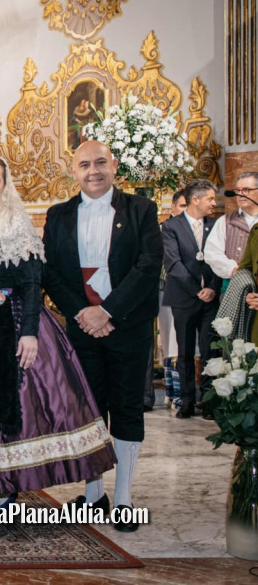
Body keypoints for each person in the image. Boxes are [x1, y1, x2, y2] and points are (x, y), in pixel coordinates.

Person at [0, 157, 114, 504]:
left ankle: (6, 487)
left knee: (11, 406)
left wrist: (29, 333)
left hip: (10, 324)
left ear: (5, 186)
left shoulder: (16, 227)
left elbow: (32, 285)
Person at [42, 141, 162, 533]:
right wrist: (83, 312)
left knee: (126, 407)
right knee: (89, 411)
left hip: (128, 326)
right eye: (84, 165)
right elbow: (51, 273)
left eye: (99, 163)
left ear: (113, 165)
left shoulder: (141, 209)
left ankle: (124, 497)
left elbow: (148, 267)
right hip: (81, 328)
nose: (92, 171)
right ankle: (94, 495)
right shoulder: (58, 215)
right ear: (72, 171)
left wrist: (108, 311)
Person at [162, 179, 219, 419]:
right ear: (196, 200)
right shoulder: (171, 227)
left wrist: (213, 288)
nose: (214, 203)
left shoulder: (215, 225)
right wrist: (197, 289)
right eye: (210, 199)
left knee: (210, 350)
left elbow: (219, 258)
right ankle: (186, 400)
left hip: (211, 298)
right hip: (185, 296)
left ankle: (208, 401)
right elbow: (173, 263)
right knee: (185, 351)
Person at [155, 188, 188, 411]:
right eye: (183, 206)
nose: (186, 211)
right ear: (173, 207)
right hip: (166, 291)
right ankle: (173, 391)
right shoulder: (163, 229)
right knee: (170, 342)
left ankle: (185, 392)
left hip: (192, 294)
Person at [204, 172, 258, 289]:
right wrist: (233, 269)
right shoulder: (225, 221)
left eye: (246, 190)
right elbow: (212, 253)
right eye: (238, 190)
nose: (240, 194)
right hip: (233, 287)